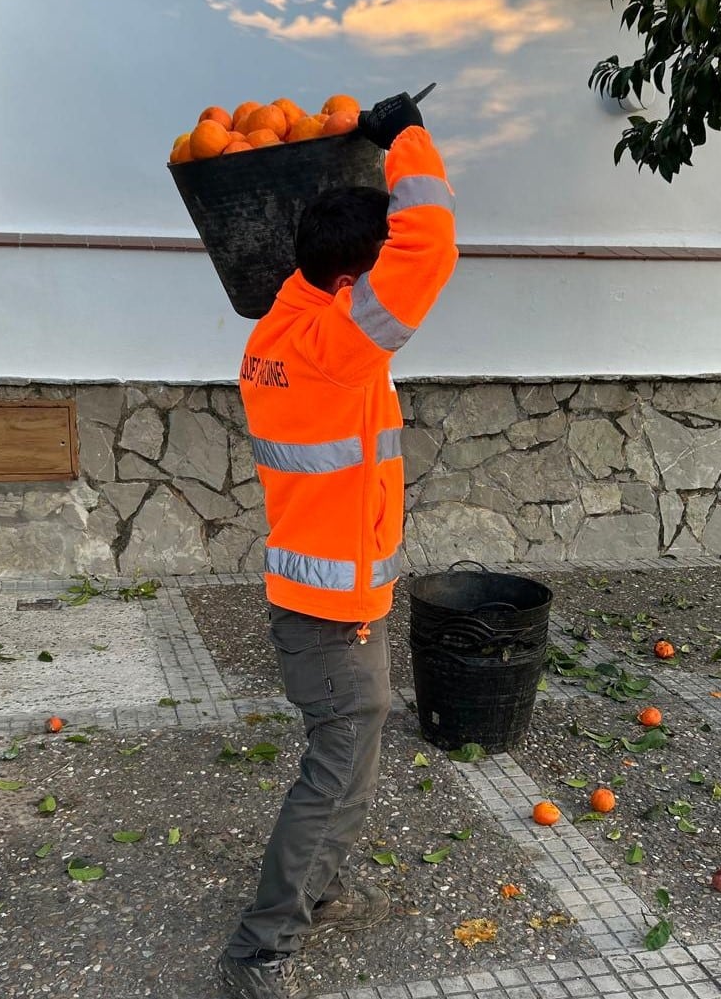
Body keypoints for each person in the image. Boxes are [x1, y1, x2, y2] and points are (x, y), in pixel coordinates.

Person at [218, 93, 458, 999]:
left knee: (352, 757)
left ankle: (315, 893)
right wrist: (402, 138)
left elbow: (391, 260)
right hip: (328, 616)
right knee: (333, 772)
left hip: (328, 602)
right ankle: (258, 949)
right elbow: (428, 246)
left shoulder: (280, 326)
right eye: (375, 277)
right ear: (350, 286)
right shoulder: (332, 344)